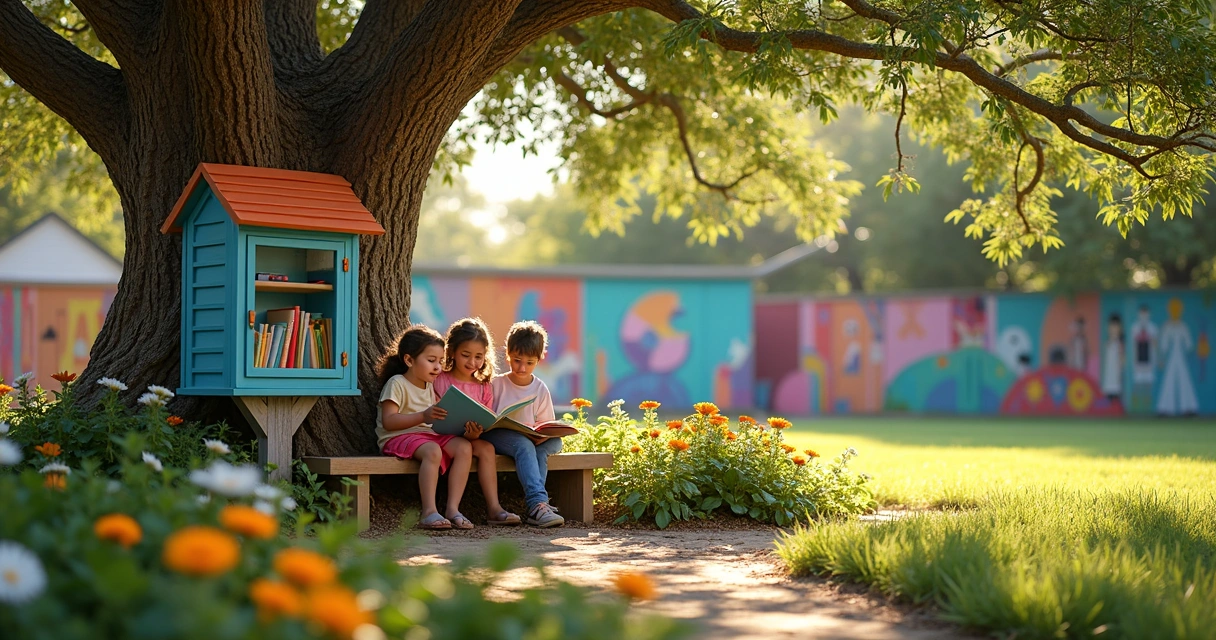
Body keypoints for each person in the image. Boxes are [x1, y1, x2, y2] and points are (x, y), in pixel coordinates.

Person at [375, 324, 478, 530]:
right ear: (409, 360)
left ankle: (452, 509)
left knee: (464, 447)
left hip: (426, 435)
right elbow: (389, 421)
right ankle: (429, 511)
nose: (438, 367)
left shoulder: (429, 385)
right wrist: (423, 415)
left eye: (440, 361)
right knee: (433, 450)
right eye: (431, 361)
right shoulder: (397, 383)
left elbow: (432, 422)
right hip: (397, 436)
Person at [433, 318, 520, 526]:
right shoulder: (440, 379)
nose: (472, 362)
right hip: (442, 436)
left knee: (487, 448)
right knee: (464, 447)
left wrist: (477, 432)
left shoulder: (483, 385)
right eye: (466, 355)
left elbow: (485, 414)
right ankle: (452, 509)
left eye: (479, 357)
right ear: (451, 351)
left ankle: (494, 508)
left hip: (470, 436)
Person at [485, 321, 565, 528]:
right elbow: (487, 416)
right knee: (524, 445)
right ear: (508, 353)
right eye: (517, 360)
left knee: (550, 445)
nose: (522, 368)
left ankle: (538, 505)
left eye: (529, 363)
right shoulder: (496, 384)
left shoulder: (539, 388)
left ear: (539, 359)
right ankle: (538, 504)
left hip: (532, 438)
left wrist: (541, 434)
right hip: (500, 435)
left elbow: (545, 423)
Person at [1100, 313, 1124, 403]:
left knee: (1116, 392)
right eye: (1111, 326)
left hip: (1117, 375)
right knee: (1109, 391)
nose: (1113, 329)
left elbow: (1122, 358)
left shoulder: (1120, 343)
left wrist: (1120, 369)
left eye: (1115, 326)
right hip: (1108, 374)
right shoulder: (1107, 343)